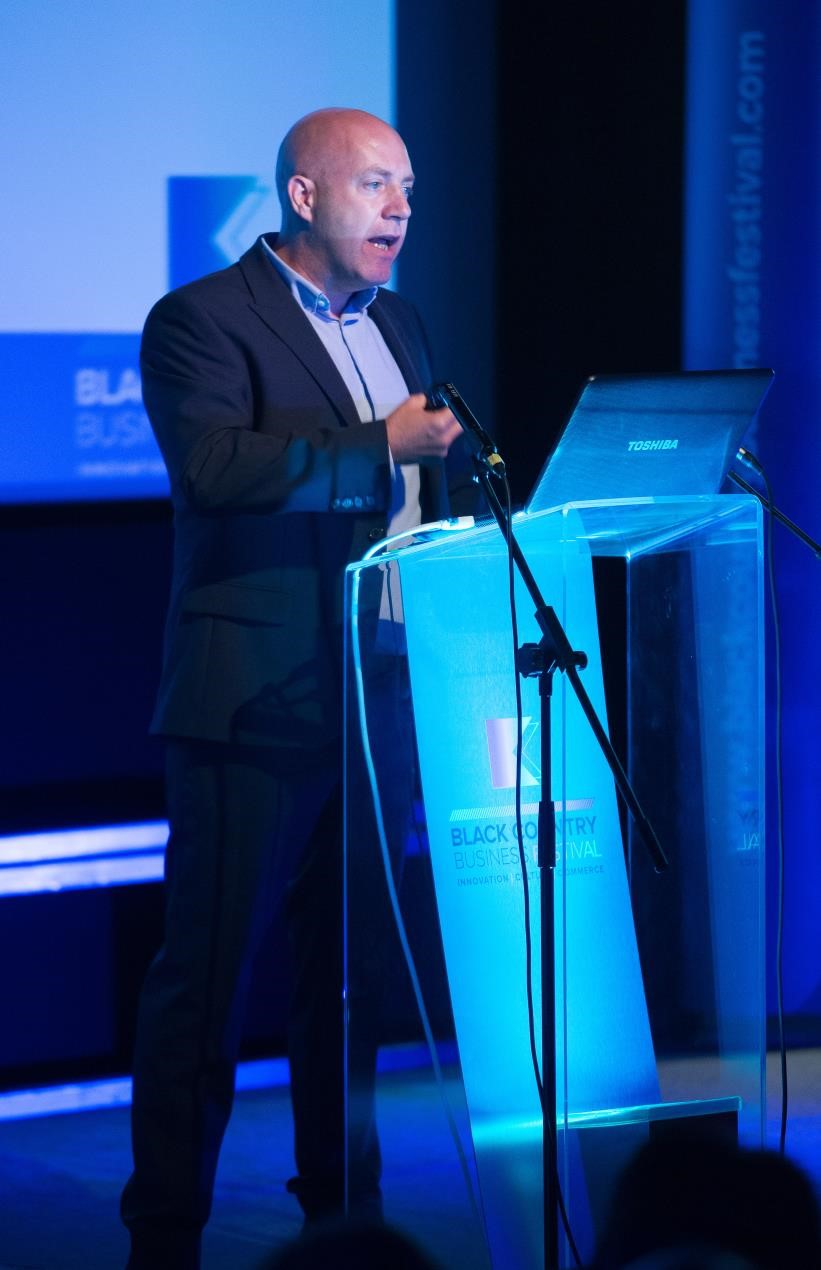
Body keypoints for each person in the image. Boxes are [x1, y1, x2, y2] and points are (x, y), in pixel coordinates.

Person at [120, 107, 471, 1269]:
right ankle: (164, 1236)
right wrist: (380, 445)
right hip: (253, 699)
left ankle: (344, 1222)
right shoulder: (201, 320)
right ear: (306, 198)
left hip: (374, 699)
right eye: (377, 185)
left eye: (409, 187)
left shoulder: (402, 321)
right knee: (205, 989)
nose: (402, 208)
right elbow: (216, 467)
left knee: (348, 989)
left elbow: (414, 490)